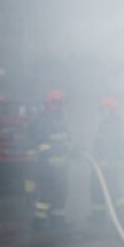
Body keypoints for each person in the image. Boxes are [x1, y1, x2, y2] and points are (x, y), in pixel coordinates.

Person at [31, 89, 72, 229]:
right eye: (58, 104)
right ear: (50, 104)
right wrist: (50, 157)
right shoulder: (43, 119)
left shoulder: (60, 119)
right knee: (46, 192)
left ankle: (58, 220)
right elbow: (40, 142)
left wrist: (72, 149)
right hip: (47, 165)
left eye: (61, 104)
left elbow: (66, 139)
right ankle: (40, 221)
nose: (60, 107)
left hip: (61, 165)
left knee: (61, 192)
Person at [90, 97, 124, 220]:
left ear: (110, 110)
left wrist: (106, 161)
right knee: (102, 188)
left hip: (108, 163)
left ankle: (119, 215)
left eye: (103, 110)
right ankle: (100, 216)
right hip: (105, 162)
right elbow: (100, 144)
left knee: (110, 188)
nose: (102, 113)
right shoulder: (109, 123)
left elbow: (114, 146)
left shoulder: (112, 125)